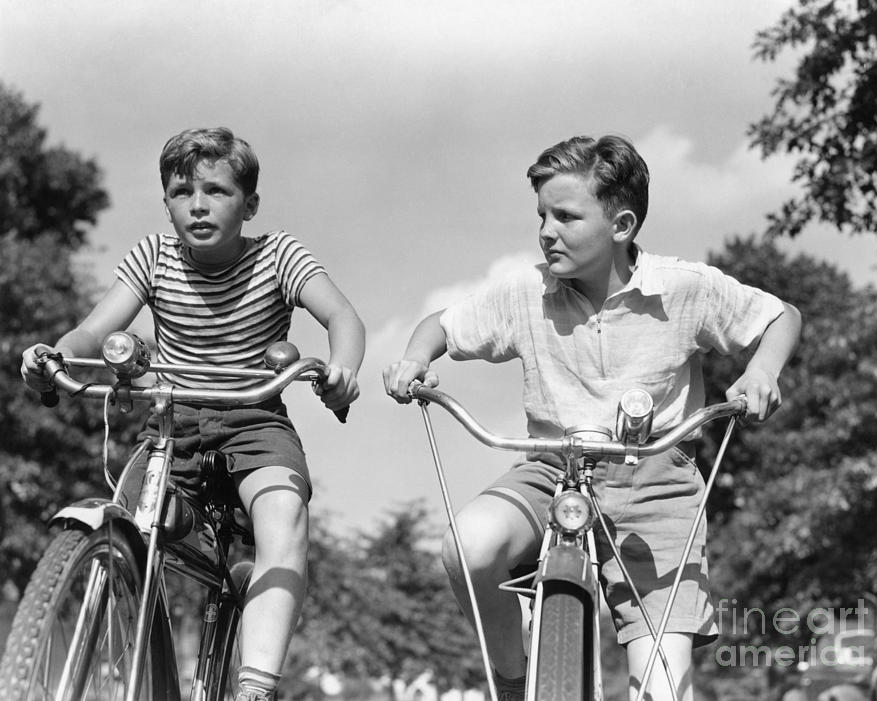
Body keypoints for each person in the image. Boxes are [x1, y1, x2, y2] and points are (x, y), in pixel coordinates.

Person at [383, 134, 801, 701]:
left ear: (622, 226)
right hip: (553, 470)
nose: (546, 230)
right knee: (469, 545)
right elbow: (441, 325)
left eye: (566, 216)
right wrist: (414, 359)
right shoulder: (528, 293)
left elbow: (780, 317)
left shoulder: (683, 288)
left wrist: (763, 372)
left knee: (662, 689)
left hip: (655, 485)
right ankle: (511, 677)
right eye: (541, 216)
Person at [21, 127, 365, 701]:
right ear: (165, 203)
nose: (198, 205)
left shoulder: (279, 255)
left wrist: (343, 371)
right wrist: (57, 354)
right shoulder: (152, 257)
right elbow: (93, 330)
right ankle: (127, 662)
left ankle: (254, 688)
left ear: (249, 204)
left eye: (216, 191)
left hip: (253, 418)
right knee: (128, 521)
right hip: (169, 421)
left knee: (283, 511)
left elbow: (342, 318)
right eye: (182, 192)